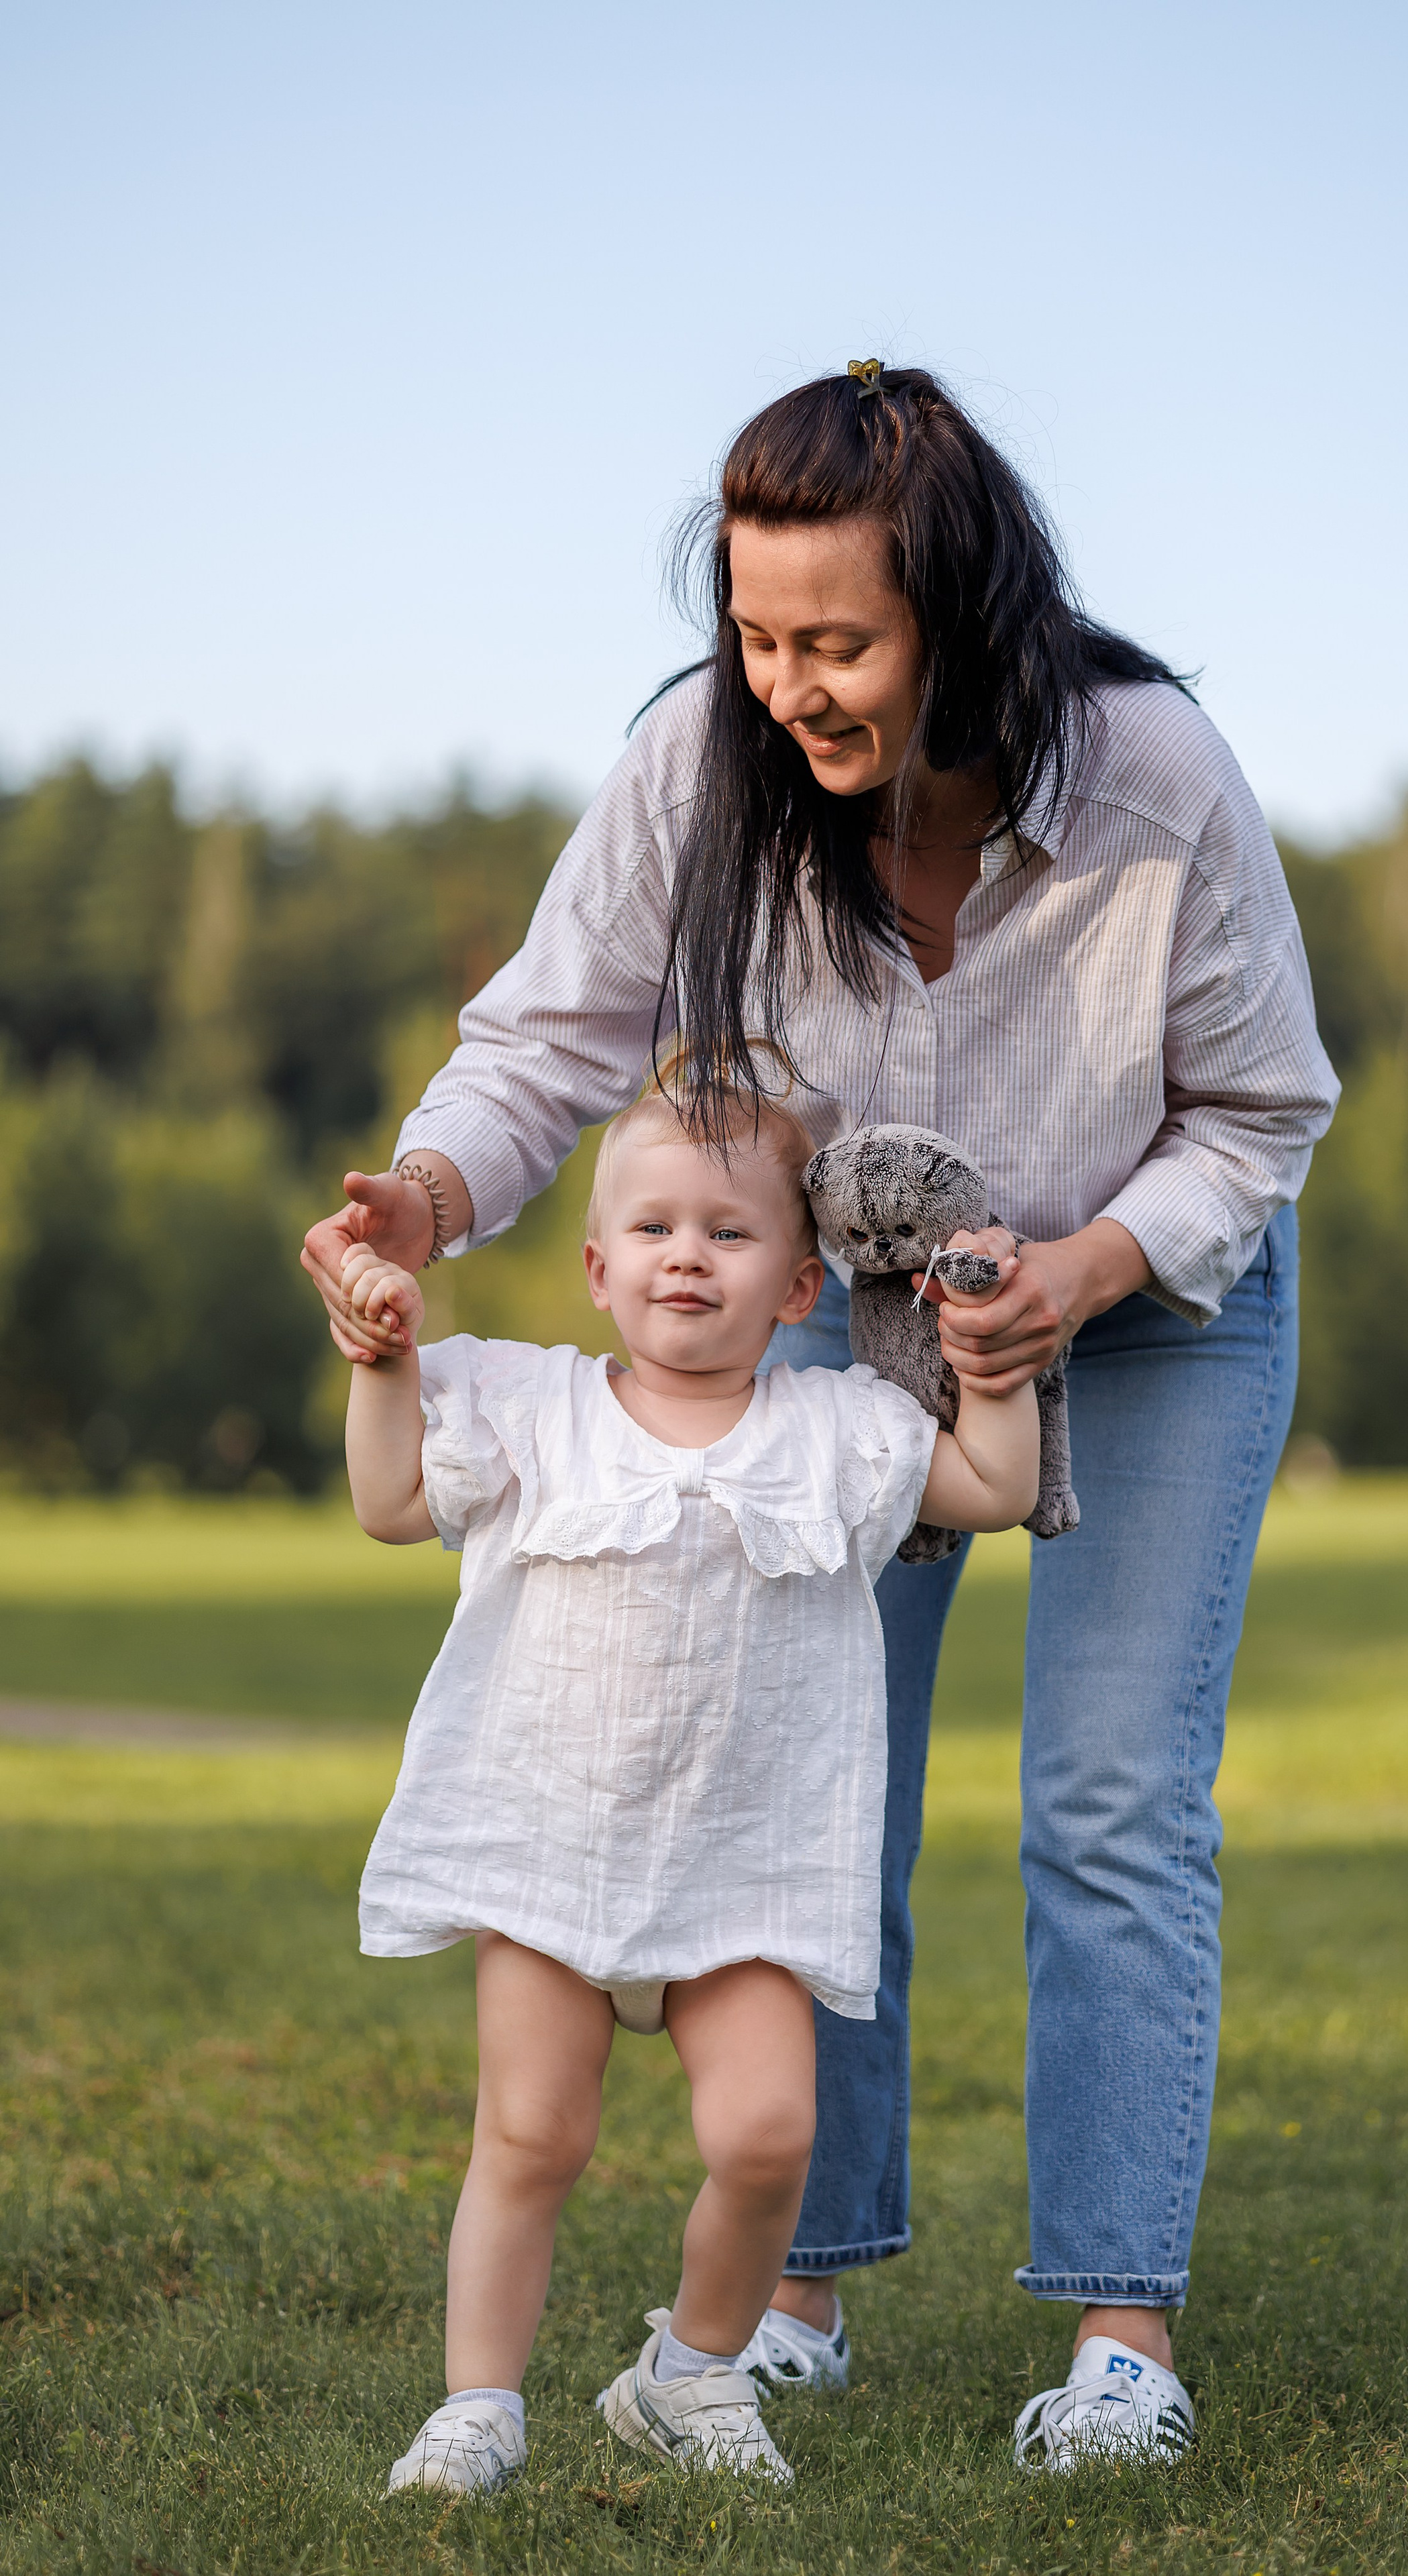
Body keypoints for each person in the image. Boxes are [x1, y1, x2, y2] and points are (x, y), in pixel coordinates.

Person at [304, 362, 1340, 2472]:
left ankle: (1122, 2341)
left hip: (1155, 1293)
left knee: (1113, 1807)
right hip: (842, 1305)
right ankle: (796, 2302)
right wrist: (416, 1196)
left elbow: (1260, 1115)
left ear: (959, 611)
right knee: (808, 1800)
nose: (790, 685)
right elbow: (549, 1041)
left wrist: (1084, 1275)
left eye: (837, 640)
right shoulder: (702, 763)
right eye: (759, 635)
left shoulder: (1155, 780)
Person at [340, 1072, 1039, 2492]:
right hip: (550, 1857)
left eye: (726, 1236)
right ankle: (478, 2405)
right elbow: (388, 1501)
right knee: (531, 2135)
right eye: (652, 1227)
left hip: (746, 1870)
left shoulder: (838, 1431)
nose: (684, 1255)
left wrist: (998, 1369)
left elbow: (992, 1488)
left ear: (795, 1288)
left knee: (769, 2131)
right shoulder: (529, 1406)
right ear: (598, 1270)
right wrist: (381, 1366)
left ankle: (694, 2370)